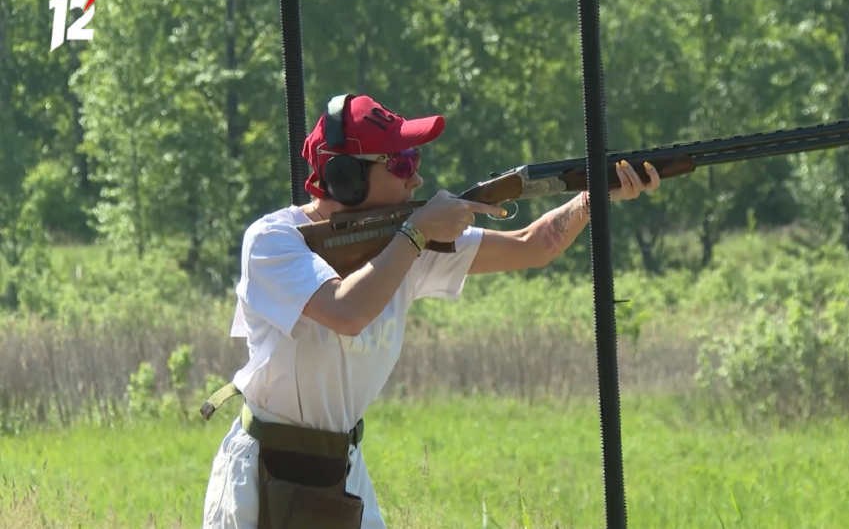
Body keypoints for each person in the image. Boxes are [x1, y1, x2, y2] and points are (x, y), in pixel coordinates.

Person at [200, 93, 660, 529]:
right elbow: (347, 311)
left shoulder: (402, 241)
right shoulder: (273, 241)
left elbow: (535, 246)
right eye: (402, 164)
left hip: (341, 468)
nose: (416, 178)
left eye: (413, 161)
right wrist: (417, 233)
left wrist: (592, 198)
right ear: (347, 177)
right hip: (264, 473)